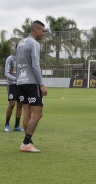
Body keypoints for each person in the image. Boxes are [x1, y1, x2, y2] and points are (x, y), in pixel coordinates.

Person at [16, 20, 48, 153]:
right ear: (35, 30)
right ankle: (25, 143)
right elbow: (35, 65)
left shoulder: (20, 44)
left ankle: (28, 142)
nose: (43, 34)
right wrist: (41, 84)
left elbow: (18, 63)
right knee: (38, 113)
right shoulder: (34, 44)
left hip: (20, 82)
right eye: (42, 31)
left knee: (27, 113)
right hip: (31, 83)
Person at [4, 44, 24, 132]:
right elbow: (6, 73)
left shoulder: (24, 59)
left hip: (21, 85)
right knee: (12, 104)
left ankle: (17, 126)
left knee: (20, 105)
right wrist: (15, 79)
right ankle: (7, 124)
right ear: (16, 49)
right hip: (12, 84)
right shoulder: (10, 59)